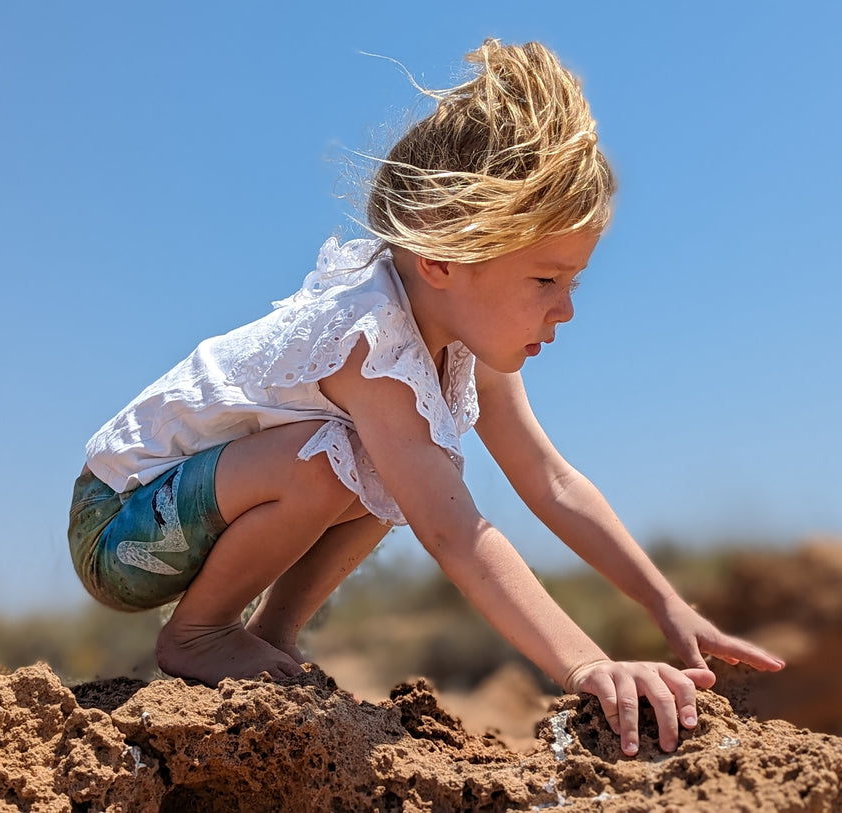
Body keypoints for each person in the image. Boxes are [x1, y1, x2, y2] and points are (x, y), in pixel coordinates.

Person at [69, 39, 783, 757]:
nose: (565, 309)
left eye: (574, 282)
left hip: (199, 515)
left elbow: (552, 480)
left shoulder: (458, 342)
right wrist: (585, 663)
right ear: (442, 258)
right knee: (364, 464)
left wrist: (666, 603)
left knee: (396, 466)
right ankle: (199, 633)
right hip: (121, 524)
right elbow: (456, 533)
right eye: (544, 280)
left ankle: (268, 633)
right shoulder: (369, 341)